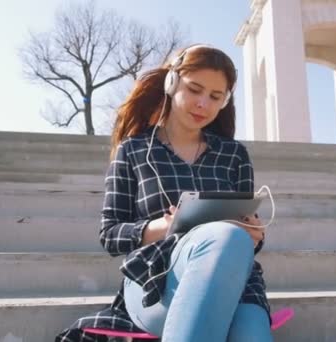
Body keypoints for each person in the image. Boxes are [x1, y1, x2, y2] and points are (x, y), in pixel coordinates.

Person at [56, 45, 271, 342]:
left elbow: (248, 235)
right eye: (195, 89)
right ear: (172, 83)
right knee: (225, 236)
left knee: (234, 245)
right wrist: (164, 227)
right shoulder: (133, 151)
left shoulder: (235, 155)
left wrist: (254, 233)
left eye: (215, 97)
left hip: (238, 282)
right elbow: (110, 234)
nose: (203, 104)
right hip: (156, 279)